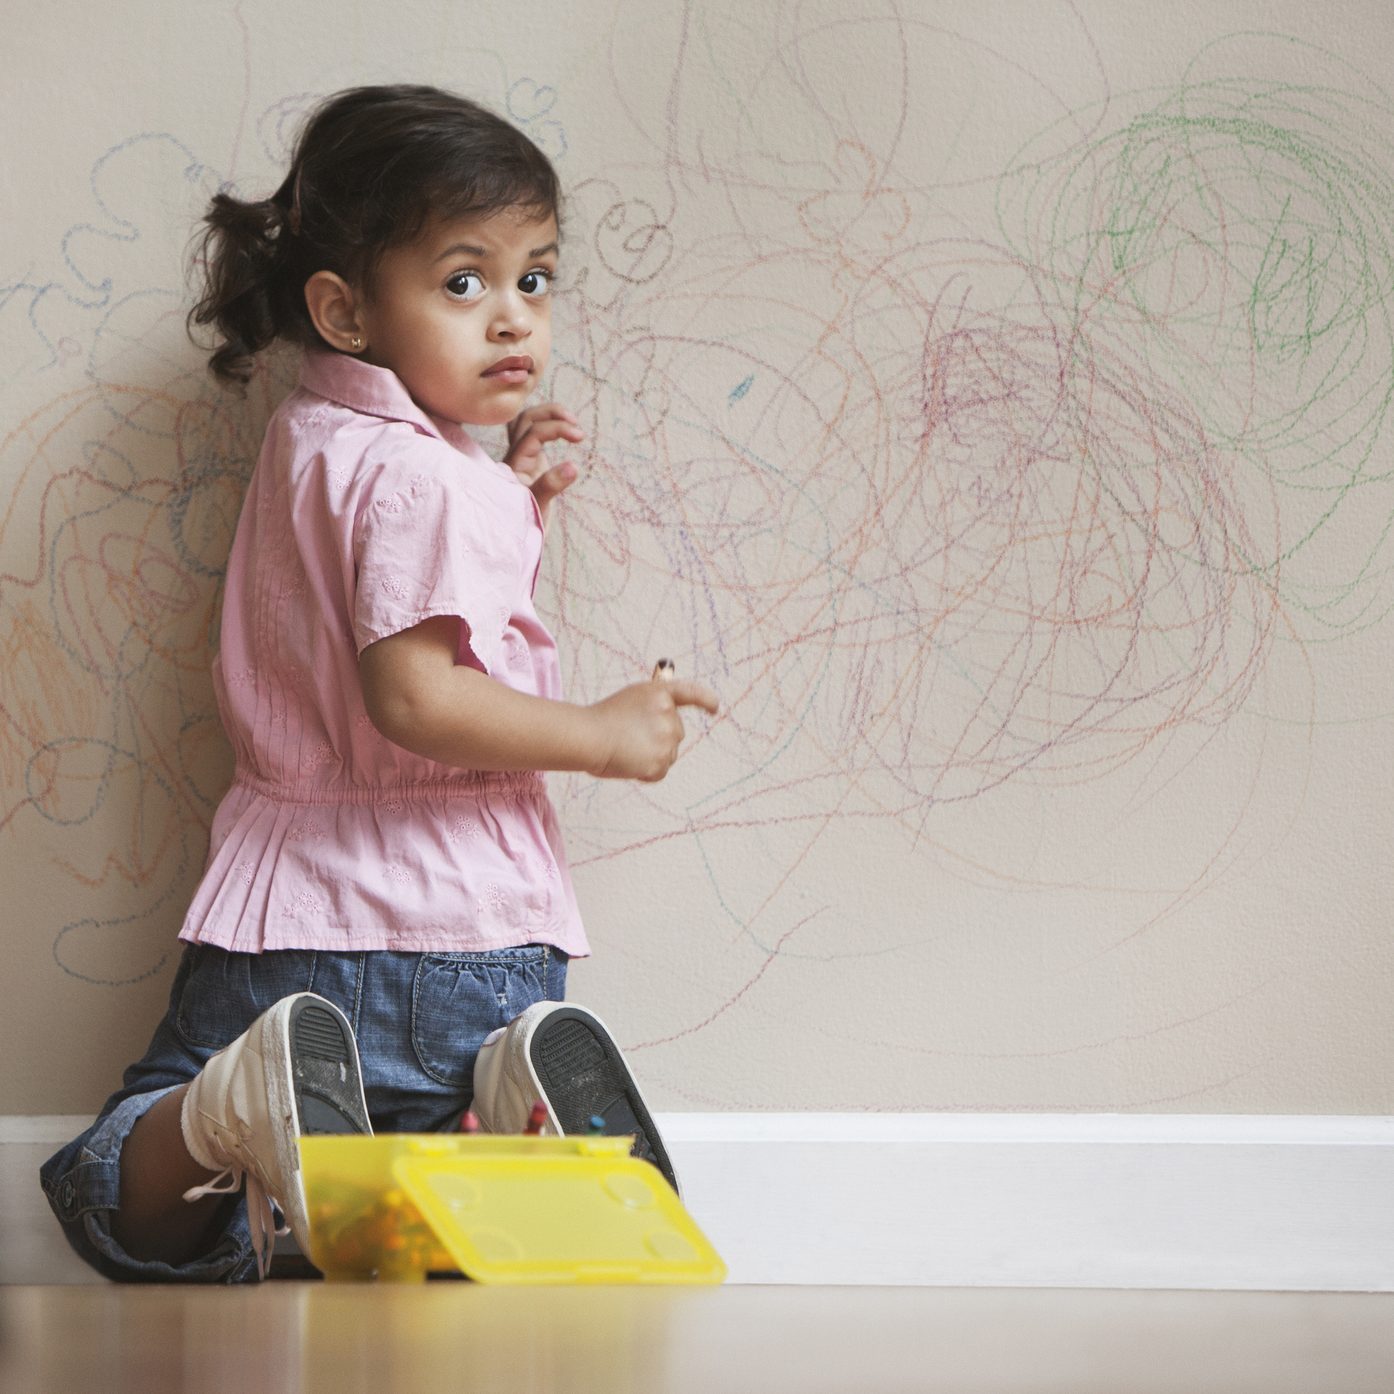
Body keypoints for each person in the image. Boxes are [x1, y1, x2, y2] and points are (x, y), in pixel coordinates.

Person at [39, 84, 719, 1283]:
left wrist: (503, 500)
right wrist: (602, 735)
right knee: (418, 1214)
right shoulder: (428, 482)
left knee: (144, 1190)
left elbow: (358, 609)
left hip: (303, 927)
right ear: (344, 309)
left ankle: (229, 1102)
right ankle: (507, 1116)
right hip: (480, 941)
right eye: (463, 283)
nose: (513, 319)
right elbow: (410, 695)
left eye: (535, 278)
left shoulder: (310, 436)